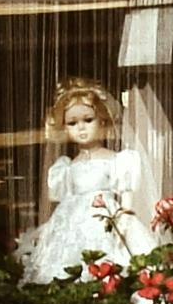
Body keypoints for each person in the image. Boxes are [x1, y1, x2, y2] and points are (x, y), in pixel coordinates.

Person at [22, 77, 145, 282]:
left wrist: (122, 223)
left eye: (88, 120)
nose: (81, 128)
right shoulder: (66, 167)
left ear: (102, 120)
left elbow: (126, 198)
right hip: (70, 225)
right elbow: (60, 201)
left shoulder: (117, 160)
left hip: (104, 221)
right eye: (72, 123)